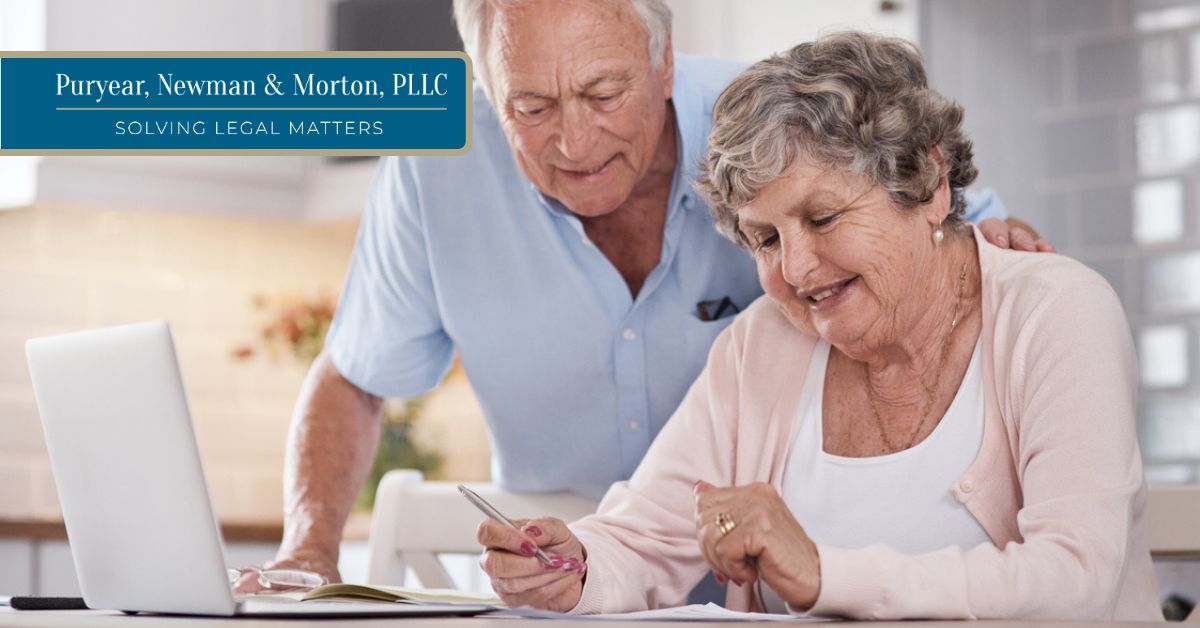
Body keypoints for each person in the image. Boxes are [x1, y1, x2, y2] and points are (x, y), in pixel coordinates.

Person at [247, 0, 1049, 588]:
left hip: (799, 586)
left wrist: (1003, 259)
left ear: (666, 63)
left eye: (605, 93)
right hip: (582, 581)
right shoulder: (433, 167)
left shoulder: (779, 127)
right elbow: (354, 376)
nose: (574, 140)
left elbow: (956, 249)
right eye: (530, 105)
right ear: (487, 89)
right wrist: (309, 554)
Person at [475, 31, 1161, 620]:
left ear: (928, 184)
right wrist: (574, 565)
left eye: (823, 218)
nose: (796, 269)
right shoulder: (762, 344)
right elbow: (646, 538)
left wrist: (823, 573)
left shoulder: (1056, 311)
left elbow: (1077, 582)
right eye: (766, 240)